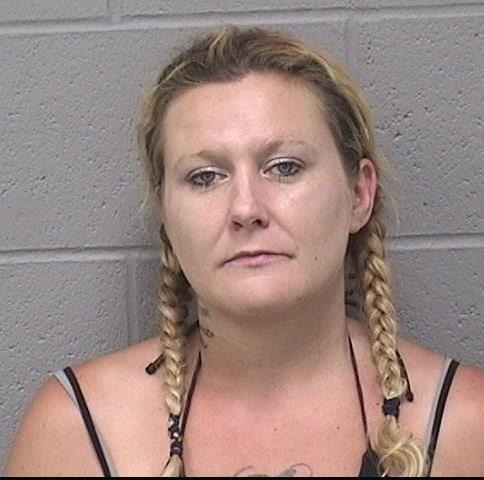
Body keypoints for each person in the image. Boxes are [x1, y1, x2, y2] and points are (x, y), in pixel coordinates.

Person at [4, 25, 484, 477]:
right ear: (166, 215)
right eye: (205, 177)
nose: (246, 208)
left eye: (284, 167)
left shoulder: (464, 423)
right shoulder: (76, 431)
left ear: (359, 194)